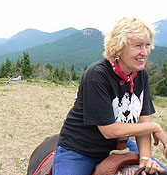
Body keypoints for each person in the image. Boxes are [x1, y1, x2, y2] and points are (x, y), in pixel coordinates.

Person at [52, 17, 167, 175]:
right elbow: (109, 130)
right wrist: (155, 127)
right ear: (119, 48)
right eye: (138, 46)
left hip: (119, 145)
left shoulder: (141, 74)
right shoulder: (97, 74)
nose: (145, 52)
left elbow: (143, 122)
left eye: (147, 45)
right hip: (80, 149)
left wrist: (146, 158)